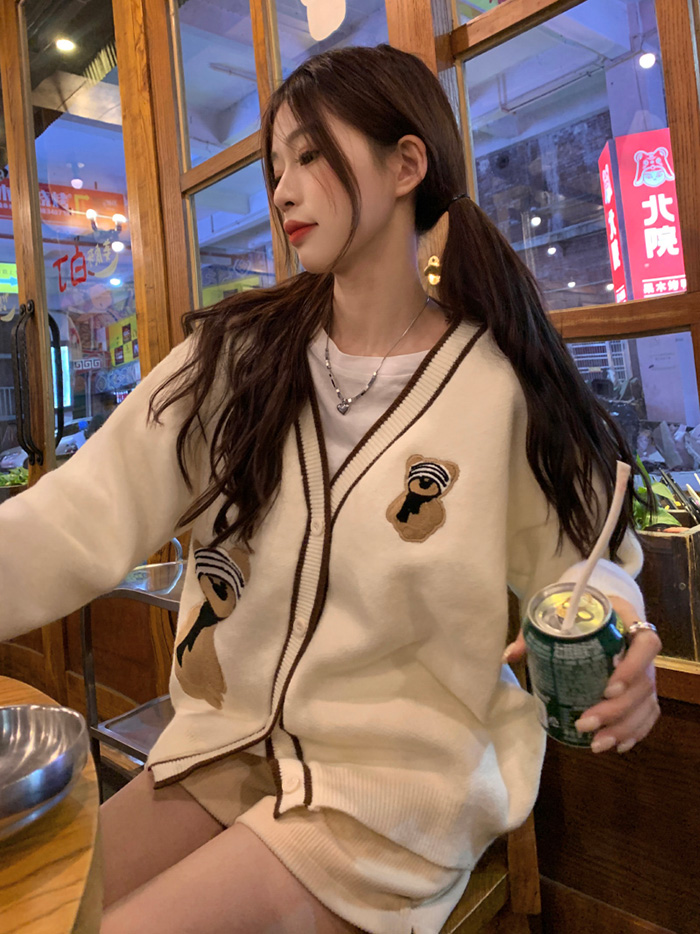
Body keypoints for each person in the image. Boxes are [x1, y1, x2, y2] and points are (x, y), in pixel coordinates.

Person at [0, 45, 661, 934]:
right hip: (225, 746)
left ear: (406, 163)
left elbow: (584, 565)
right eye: (276, 167)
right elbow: (80, 511)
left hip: (392, 790)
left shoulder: (498, 384)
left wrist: (620, 634)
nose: (282, 190)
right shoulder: (238, 357)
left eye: (309, 154)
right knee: (39, 909)